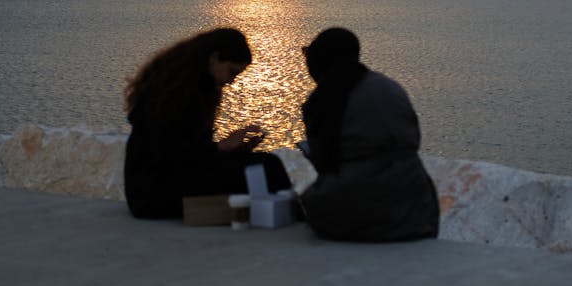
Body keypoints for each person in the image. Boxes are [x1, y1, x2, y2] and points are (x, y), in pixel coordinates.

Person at [123, 27, 291, 219]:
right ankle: (293, 218)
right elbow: (172, 154)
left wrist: (233, 149)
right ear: (214, 58)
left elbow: (191, 152)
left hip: (162, 182)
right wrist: (221, 147)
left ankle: (287, 215)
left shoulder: (193, 86)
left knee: (264, 164)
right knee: (265, 167)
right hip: (153, 194)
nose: (232, 81)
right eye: (232, 72)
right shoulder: (176, 94)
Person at [299, 27, 439, 242]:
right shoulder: (389, 87)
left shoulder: (322, 101)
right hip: (418, 212)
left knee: (306, 203)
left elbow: (325, 162)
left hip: (364, 215)